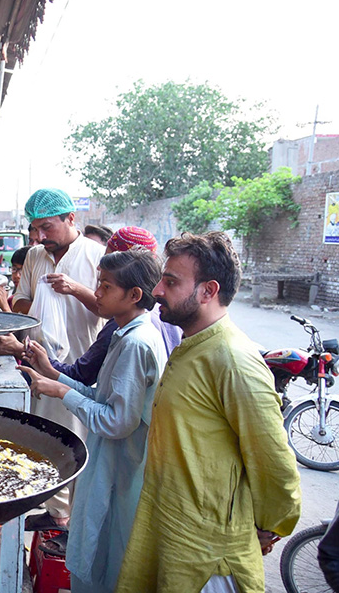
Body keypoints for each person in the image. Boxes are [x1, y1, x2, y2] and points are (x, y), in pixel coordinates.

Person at [115, 232, 302, 593]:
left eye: (170, 282)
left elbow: (274, 462)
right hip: (171, 531)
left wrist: (269, 525)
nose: (157, 291)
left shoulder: (233, 359)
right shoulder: (193, 345)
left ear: (207, 291)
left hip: (210, 556)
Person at [21, 248, 167, 592]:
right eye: (98, 283)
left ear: (134, 295)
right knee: (98, 552)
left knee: (111, 561)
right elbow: (99, 395)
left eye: (105, 286)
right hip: (111, 462)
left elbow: (116, 421)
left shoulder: (136, 343)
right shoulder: (122, 333)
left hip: (124, 469)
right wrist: (53, 372)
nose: (96, 292)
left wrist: (60, 393)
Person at [10, 188, 105, 529]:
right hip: (39, 362)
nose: (39, 236)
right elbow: (20, 303)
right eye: (35, 229)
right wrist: (38, 304)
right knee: (46, 435)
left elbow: (109, 309)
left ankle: (73, 520)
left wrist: (74, 289)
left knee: (79, 441)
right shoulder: (36, 256)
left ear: (71, 219)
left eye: (47, 228)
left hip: (83, 365)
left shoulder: (96, 256)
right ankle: (54, 511)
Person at [0, 227, 182, 386]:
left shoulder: (124, 332)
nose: (97, 293)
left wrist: (20, 350)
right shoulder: (163, 316)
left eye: (106, 286)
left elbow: (111, 414)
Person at [0, 245, 29, 313]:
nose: (17, 275)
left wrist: (5, 307)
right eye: (14, 269)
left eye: (23, 270)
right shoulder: (11, 301)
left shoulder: (37, 302)